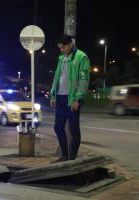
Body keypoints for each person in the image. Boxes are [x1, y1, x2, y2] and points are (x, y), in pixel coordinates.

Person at [50, 34, 90, 162]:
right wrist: (53, 95)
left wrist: (77, 99)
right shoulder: (61, 58)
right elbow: (57, 77)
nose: (61, 50)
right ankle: (64, 155)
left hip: (72, 99)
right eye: (59, 48)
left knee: (73, 129)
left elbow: (84, 80)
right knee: (58, 127)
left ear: (70, 44)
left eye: (63, 47)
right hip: (60, 98)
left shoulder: (81, 57)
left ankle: (72, 158)